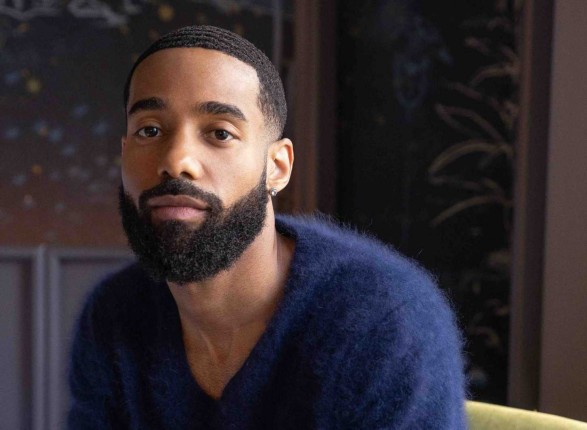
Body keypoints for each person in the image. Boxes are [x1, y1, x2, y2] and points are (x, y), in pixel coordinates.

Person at [67, 25, 467, 429]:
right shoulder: (113, 315)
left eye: (220, 133)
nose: (176, 160)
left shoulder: (386, 323)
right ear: (124, 153)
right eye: (149, 130)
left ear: (277, 167)